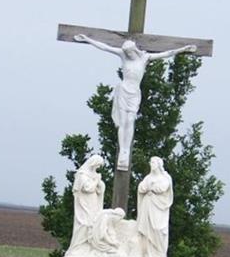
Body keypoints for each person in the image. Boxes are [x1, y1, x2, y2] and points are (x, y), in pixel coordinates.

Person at [74, 34, 197, 170]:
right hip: (123, 90)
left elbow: (167, 53)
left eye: (130, 52)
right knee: (123, 122)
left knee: (130, 120)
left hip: (134, 93)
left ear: (134, 50)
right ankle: (122, 151)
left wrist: (183, 49)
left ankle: (126, 149)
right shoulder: (122, 55)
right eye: (127, 52)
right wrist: (87, 39)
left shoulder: (144, 57)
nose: (129, 54)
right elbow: (105, 47)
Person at [66, 155, 105, 255]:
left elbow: (98, 189)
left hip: (93, 201)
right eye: (97, 165)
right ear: (93, 163)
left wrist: (99, 185)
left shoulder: (94, 175)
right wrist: (96, 181)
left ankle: (88, 247)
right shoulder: (83, 174)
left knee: (93, 222)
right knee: (84, 223)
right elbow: (87, 188)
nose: (98, 168)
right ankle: (77, 247)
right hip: (84, 202)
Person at [137, 156, 173, 257]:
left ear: (158, 164)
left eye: (153, 162)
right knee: (147, 230)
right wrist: (149, 187)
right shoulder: (148, 177)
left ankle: (159, 255)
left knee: (157, 229)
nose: (151, 164)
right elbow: (141, 188)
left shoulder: (165, 178)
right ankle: (147, 255)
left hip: (158, 208)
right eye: (150, 162)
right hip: (148, 205)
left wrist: (151, 187)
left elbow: (162, 188)